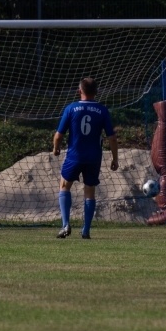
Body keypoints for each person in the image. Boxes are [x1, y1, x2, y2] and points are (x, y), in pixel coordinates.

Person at [53, 77, 119, 239]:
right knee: (90, 192)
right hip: (94, 157)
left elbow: (58, 135)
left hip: (74, 156)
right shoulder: (102, 110)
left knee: (64, 186)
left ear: (79, 91)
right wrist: (114, 158)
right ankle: (86, 230)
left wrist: (56, 148)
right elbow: (112, 137)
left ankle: (66, 224)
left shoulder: (71, 108)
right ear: (96, 92)